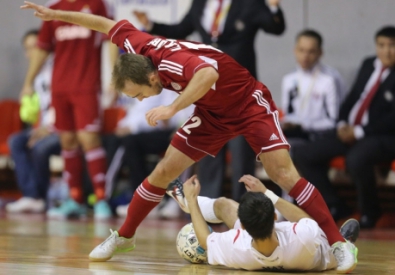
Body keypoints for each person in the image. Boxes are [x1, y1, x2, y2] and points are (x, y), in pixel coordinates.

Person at [21, 2, 357, 273]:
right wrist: (54, 15)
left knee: (283, 173)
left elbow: (208, 73)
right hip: (212, 114)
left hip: (247, 104)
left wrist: (171, 109)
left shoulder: (174, 64)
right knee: (163, 172)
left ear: (154, 76)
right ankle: (124, 237)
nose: (140, 100)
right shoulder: (137, 48)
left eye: (140, 94)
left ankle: (339, 243)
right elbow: (105, 26)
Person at [134, 0, 286, 201]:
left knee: (241, 155)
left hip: (239, 92)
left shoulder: (249, 3)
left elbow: (275, 27)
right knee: (207, 153)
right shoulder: (200, 3)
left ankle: (245, 213)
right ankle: (207, 210)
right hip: (209, 91)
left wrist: (274, 7)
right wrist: (152, 25)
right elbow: (182, 28)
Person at [20, 0, 116, 219]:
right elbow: (42, 49)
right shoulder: (53, 6)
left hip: (86, 86)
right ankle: (75, 200)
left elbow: (111, 36)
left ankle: (101, 200)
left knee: (89, 139)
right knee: (67, 142)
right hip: (60, 87)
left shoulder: (97, 4)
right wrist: (28, 82)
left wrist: (114, 75)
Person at [292, 26, 395, 229]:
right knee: (303, 154)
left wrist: (359, 132)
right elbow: (353, 97)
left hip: (383, 136)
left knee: (357, 158)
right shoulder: (368, 64)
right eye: (381, 45)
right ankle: (336, 205)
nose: (386, 51)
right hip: (352, 132)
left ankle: (370, 212)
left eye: (392, 46)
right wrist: (341, 123)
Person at [173, 174, 359, 271]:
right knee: (330, 240)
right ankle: (344, 240)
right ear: (275, 217)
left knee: (223, 205)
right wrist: (268, 193)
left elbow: (205, 241)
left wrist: (192, 200)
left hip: (261, 252)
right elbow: (307, 220)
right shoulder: (304, 238)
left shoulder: (236, 247)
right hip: (315, 251)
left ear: (243, 228)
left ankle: (190, 202)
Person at [102, 90, 193, 218]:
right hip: (165, 128)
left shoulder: (194, 81)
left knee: (183, 141)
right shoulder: (166, 84)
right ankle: (142, 200)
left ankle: (177, 200)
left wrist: (181, 126)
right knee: (130, 142)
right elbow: (153, 113)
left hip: (186, 129)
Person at [6, 29, 60, 213]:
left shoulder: (57, 68)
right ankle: (30, 195)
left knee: (40, 147)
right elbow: (40, 110)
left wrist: (48, 129)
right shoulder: (35, 75)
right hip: (45, 127)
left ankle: (40, 196)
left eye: (36, 47)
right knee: (16, 141)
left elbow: (62, 105)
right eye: (28, 49)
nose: (33, 53)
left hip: (62, 128)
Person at [281, 29, 345, 151]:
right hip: (296, 132)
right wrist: (286, 123)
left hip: (321, 135)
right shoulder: (289, 79)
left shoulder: (330, 79)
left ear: (320, 53)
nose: (305, 56)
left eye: (311, 52)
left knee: (293, 149)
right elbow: (288, 114)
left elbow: (334, 120)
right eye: (301, 50)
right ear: (295, 50)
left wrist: (303, 125)